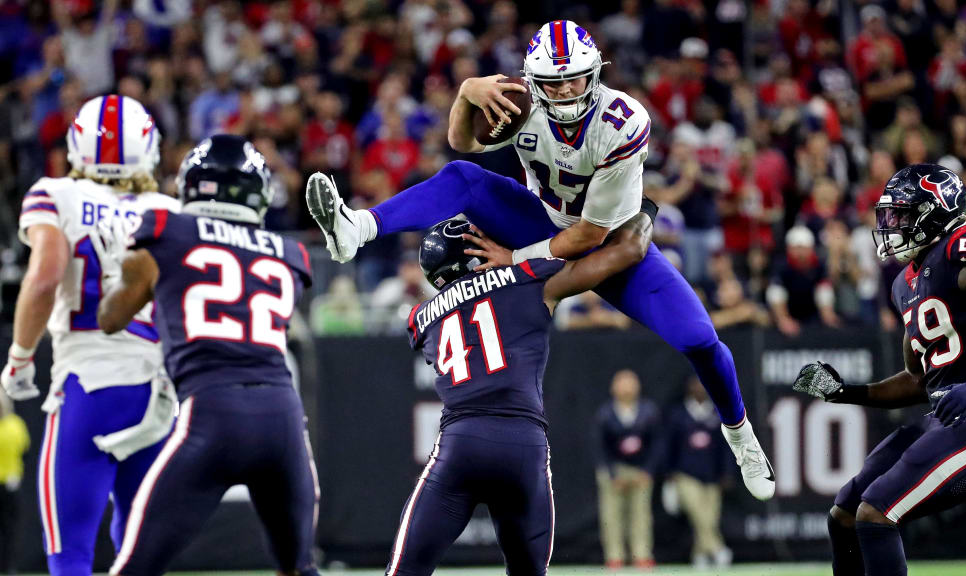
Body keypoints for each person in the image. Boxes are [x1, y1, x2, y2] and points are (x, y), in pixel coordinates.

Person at [307, 19, 774, 501]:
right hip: (543, 219)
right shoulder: (520, 100)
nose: (567, 89)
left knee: (699, 339)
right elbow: (462, 142)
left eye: (575, 77)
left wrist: (515, 257)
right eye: (554, 81)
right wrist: (467, 92)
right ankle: (355, 229)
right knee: (464, 176)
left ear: (596, 72)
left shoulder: (622, 121)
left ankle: (740, 435)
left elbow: (589, 234)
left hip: (611, 244)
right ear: (534, 80)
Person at [88, 135, 344, 576]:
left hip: (213, 411)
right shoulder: (290, 255)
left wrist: (119, 271)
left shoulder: (163, 229)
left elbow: (111, 319)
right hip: (282, 420)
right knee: (300, 573)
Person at [366, 208, 654, 576]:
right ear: (477, 251)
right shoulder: (528, 279)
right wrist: (639, 209)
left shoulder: (421, 318)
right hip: (523, 444)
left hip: (461, 443)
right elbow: (629, 250)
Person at [793, 164, 966, 576]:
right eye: (888, 216)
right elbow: (917, 378)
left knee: (877, 512)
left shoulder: (962, 249)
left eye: (901, 215)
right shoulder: (903, 283)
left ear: (937, 211)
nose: (890, 227)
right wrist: (845, 392)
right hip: (946, 418)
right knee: (845, 515)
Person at [2, 94, 177, 576]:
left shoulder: (56, 193)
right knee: (137, 557)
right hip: (156, 390)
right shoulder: (167, 211)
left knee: (70, 554)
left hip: (89, 384)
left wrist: (19, 355)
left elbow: (46, 274)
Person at [594, 369, 661, 570]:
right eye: (622, 383)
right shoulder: (606, 413)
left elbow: (657, 443)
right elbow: (599, 446)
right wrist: (612, 474)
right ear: (613, 387)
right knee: (611, 515)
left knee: (641, 515)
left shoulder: (648, 411)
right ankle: (614, 556)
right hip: (614, 470)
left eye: (630, 383)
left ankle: (641, 554)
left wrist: (648, 470)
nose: (626, 388)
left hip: (640, 470)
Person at [665, 378, 734, 569]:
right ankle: (718, 549)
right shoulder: (678, 415)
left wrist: (727, 472)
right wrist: (669, 473)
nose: (700, 389)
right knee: (698, 515)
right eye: (696, 385)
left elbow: (726, 446)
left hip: (712, 476)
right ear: (688, 388)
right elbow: (669, 445)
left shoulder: (718, 413)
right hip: (685, 474)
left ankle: (700, 554)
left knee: (709, 518)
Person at [0, 390, 30, 574]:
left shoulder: (16, 425)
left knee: (9, 528)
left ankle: (7, 566)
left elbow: (24, 452)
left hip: (10, 485)